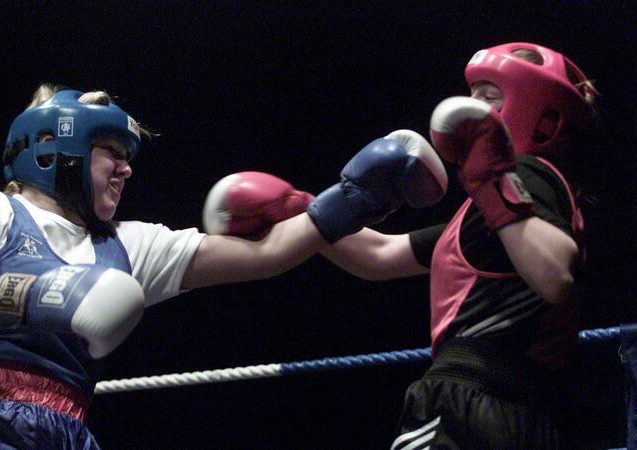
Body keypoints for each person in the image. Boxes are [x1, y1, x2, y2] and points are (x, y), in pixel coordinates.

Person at [0, 84, 448, 449]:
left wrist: (353, 197)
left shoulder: (130, 245)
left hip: (67, 430)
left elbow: (268, 254)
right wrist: (54, 292)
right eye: (112, 151)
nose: (126, 171)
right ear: (54, 147)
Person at [208, 42, 598, 448]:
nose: (471, 108)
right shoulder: (496, 215)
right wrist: (300, 209)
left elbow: (556, 277)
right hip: (523, 415)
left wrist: (491, 181)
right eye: (473, 95)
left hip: (472, 401)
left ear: (543, 119)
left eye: (490, 97)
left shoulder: (529, 178)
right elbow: (379, 257)